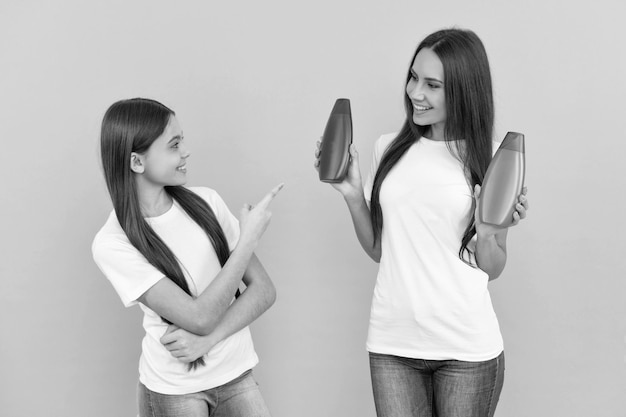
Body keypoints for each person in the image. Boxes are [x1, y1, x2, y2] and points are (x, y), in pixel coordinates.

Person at [315, 28, 528, 417]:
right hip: (393, 344)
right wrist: (351, 194)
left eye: (432, 84)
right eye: (414, 77)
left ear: (464, 91)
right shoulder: (388, 148)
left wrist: (489, 231)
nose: (415, 92)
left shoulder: (494, 159)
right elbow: (381, 250)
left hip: (465, 348)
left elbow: (492, 267)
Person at [92, 98, 281, 416]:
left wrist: (208, 341)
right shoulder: (112, 243)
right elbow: (197, 317)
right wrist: (246, 241)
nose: (185, 152)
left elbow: (264, 291)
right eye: (174, 145)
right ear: (137, 162)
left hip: (237, 376)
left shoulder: (207, 202)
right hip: (175, 392)